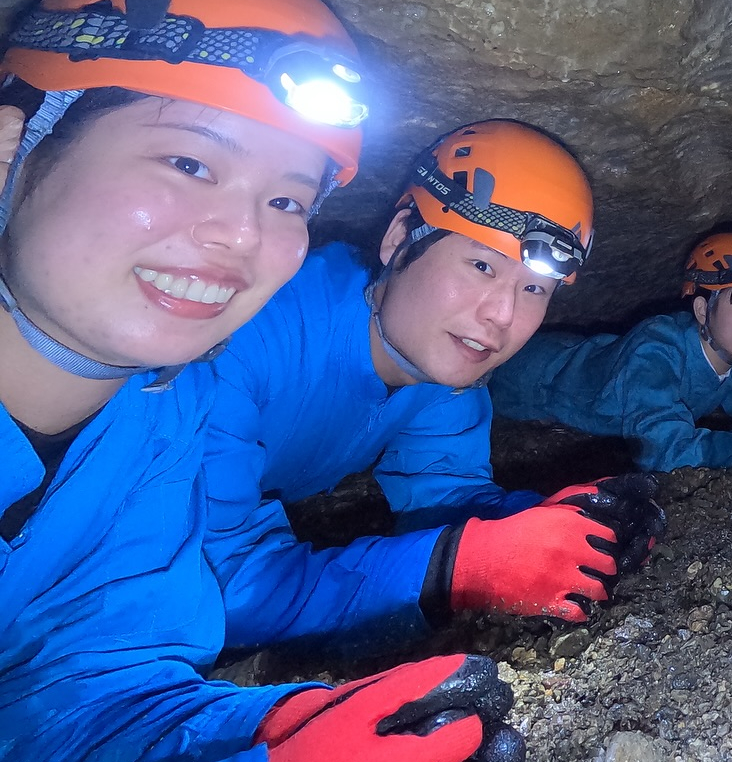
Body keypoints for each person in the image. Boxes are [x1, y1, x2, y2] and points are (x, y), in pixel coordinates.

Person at [0, 0, 520, 762]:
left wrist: (269, 736)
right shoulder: (234, 369)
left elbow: (80, 697)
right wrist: (442, 567)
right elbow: (237, 577)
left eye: (286, 200)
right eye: (189, 162)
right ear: (13, 149)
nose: (241, 235)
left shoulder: (154, 419)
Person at [204, 120, 662, 655]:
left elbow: (446, 495)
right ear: (400, 238)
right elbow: (210, 586)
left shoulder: (444, 374)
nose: (502, 315)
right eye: (480, 264)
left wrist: (562, 520)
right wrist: (451, 569)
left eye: (534, 287)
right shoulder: (246, 334)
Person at [487, 232, 732, 471]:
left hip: (571, 352)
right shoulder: (657, 350)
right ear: (703, 311)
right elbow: (665, 452)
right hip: (520, 372)